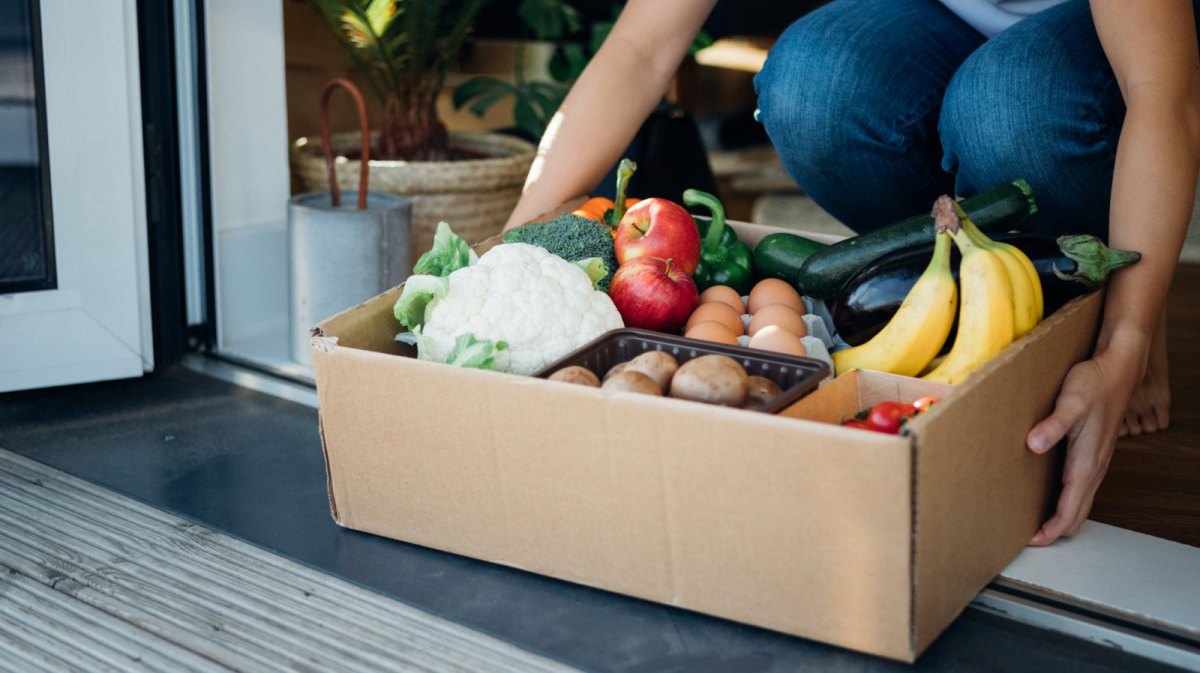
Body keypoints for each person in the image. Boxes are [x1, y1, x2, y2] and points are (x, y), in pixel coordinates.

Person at [502, 0, 1200, 545]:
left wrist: (1126, 340)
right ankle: (963, 289)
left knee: (1006, 112)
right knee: (815, 84)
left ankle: (1111, 275)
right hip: (935, 22)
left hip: (1098, 47)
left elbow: (1163, 93)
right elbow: (641, 44)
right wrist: (514, 243)